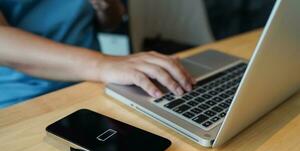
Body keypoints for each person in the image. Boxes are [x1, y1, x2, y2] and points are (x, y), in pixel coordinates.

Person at [0, 0, 194, 108]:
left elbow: (112, 20)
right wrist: (102, 64)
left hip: (93, 85)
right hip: (26, 98)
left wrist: (107, 7)